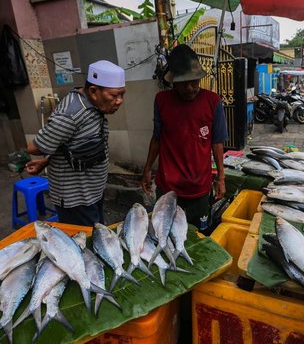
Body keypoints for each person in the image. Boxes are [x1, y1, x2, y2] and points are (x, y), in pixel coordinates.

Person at [25, 60, 126, 226]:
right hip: (76, 199)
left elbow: (71, 143)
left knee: (96, 236)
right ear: (93, 91)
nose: (120, 100)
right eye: (115, 95)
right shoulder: (71, 114)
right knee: (83, 243)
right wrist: (45, 151)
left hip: (92, 192)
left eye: (122, 94)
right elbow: (34, 147)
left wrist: (47, 160)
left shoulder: (94, 106)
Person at [141, 44, 228, 231]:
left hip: (200, 187)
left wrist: (221, 177)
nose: (190, 88)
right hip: (168, 189)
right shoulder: (161, 101)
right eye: (183, 83)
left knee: (200, 236)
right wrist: (147, 168)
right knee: (165, 235)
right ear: (173, 81)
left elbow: (217, 142)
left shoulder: (213, 101)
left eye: (194, 81)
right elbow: (157, 137)